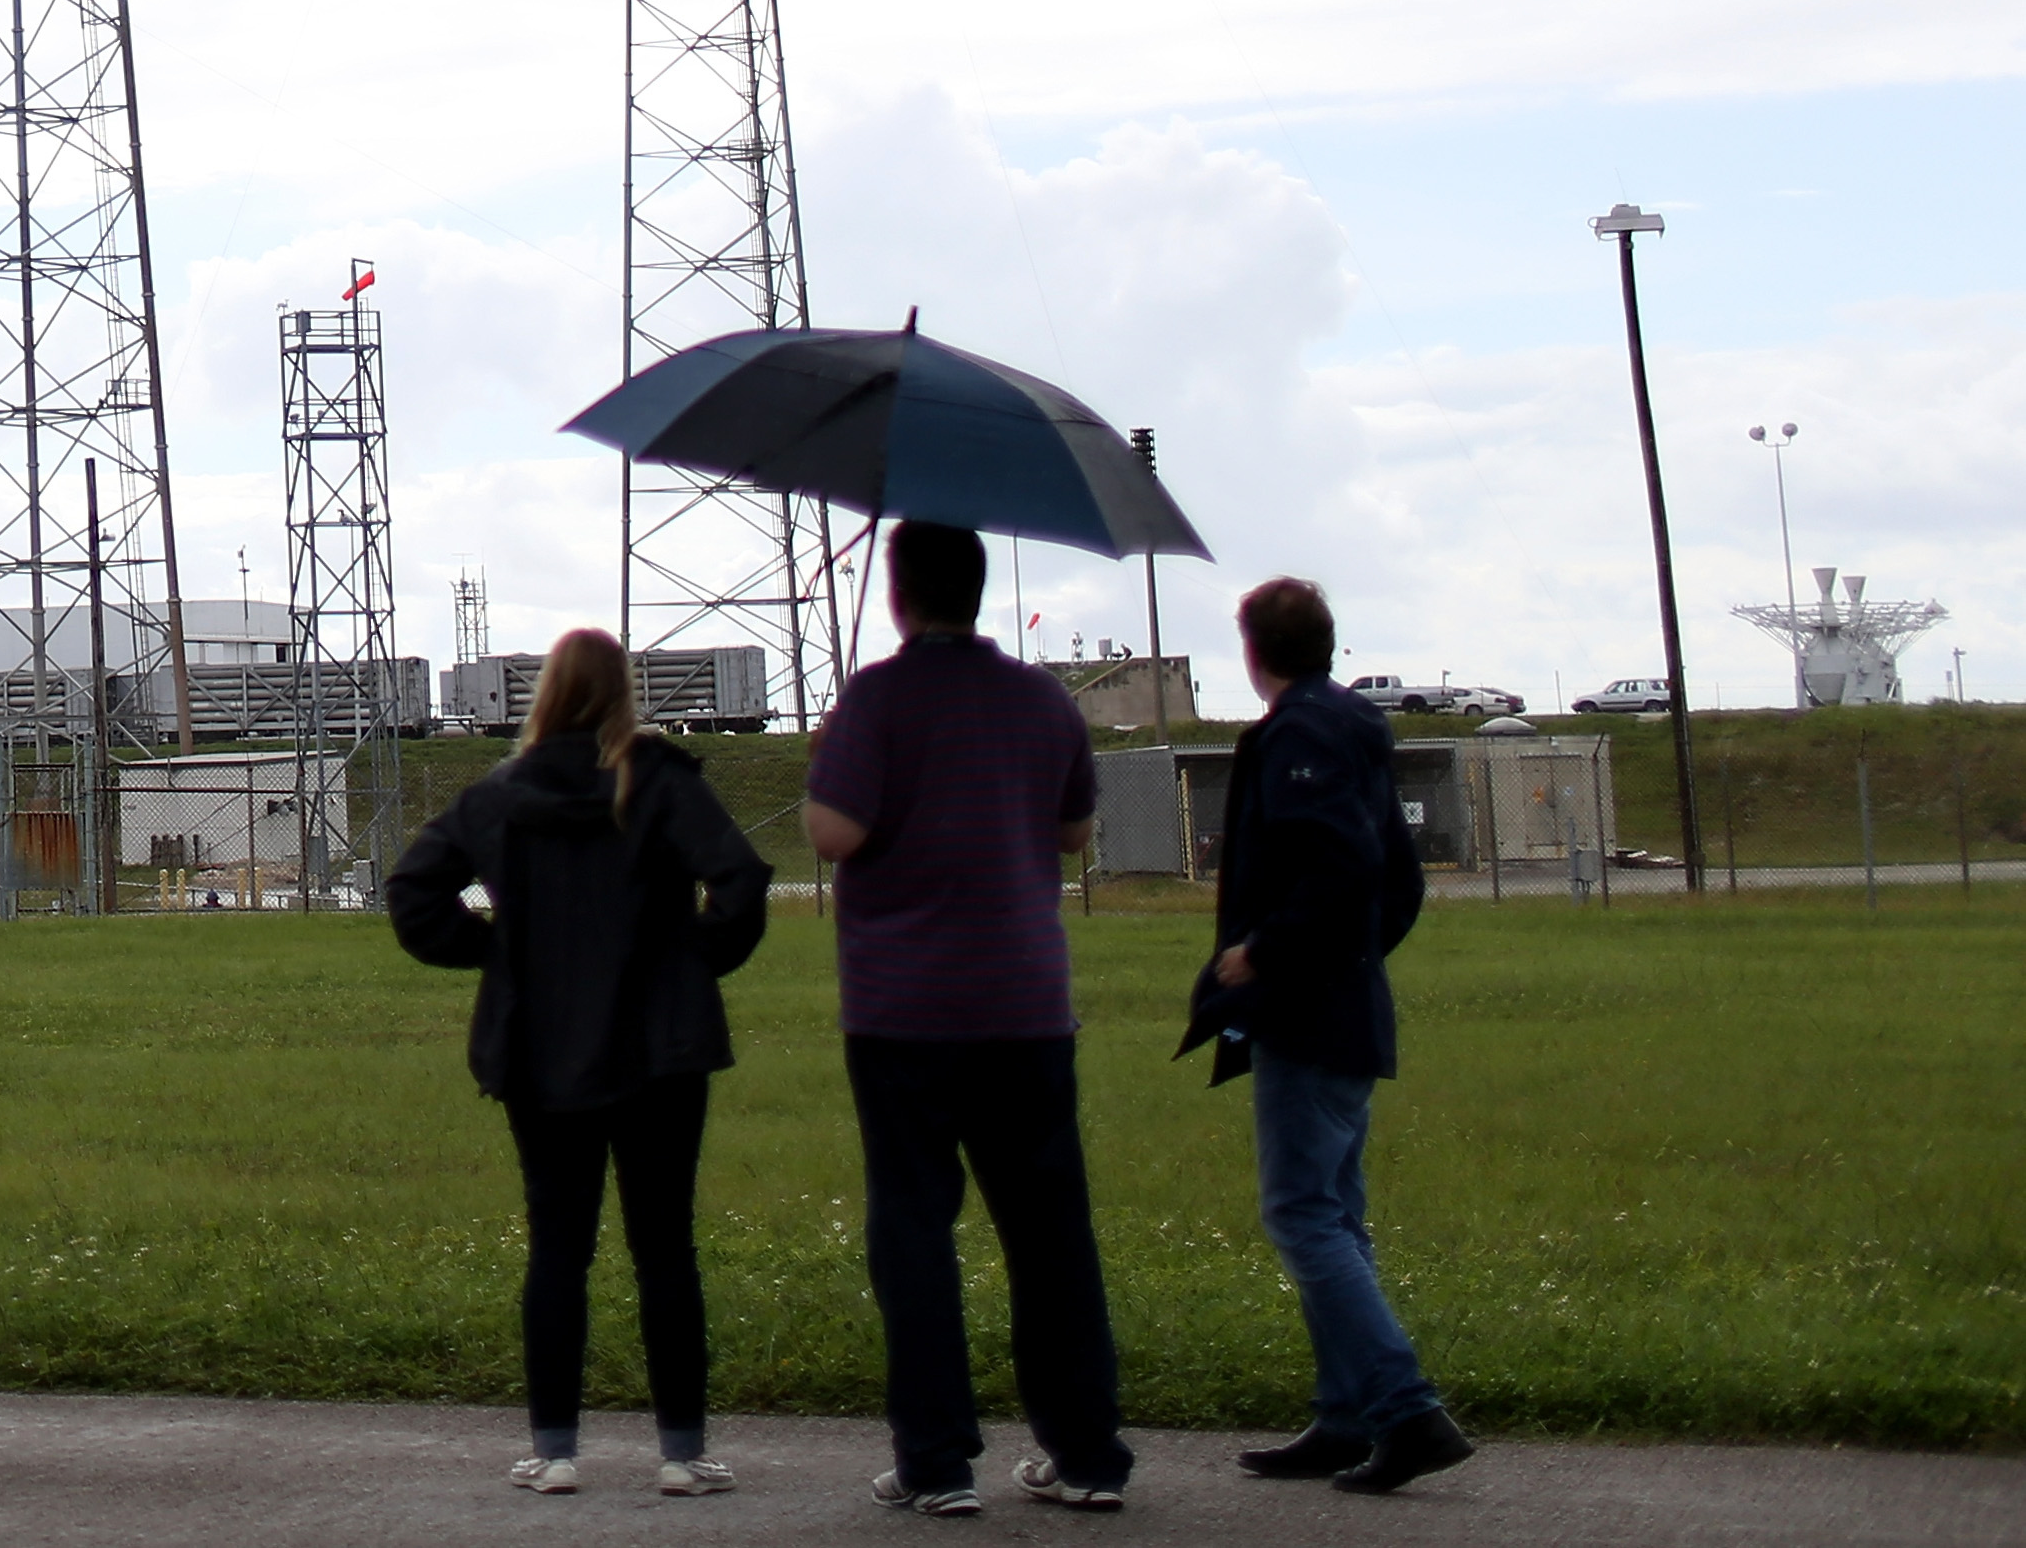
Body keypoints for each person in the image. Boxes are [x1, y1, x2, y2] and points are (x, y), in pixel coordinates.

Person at [390, 627, 772, 1499]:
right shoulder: (660, 781)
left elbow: (413, 890)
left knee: (557, 1247)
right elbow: (741, 879)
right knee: (664, 1245)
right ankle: (680, 1452)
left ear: (544, 693)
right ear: (622, 692)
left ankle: (555, 1449)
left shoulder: (499, 793)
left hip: (538, 1043)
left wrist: (491, 950)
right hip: (661, 1045)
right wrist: (692, 959)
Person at [803, 519, 1134, 1515]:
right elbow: (1074, 831)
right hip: (1024, 1002)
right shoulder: (1042, 697)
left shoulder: (875, 696)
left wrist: (835, 756)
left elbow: (832, 831)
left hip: (904, 1006)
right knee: (1049, 1231)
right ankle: (1085, 1450)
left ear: (897, 593)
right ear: (978, 590)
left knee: (913, 1225)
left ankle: (936, 1459)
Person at [1185, 577, 1472, 1495]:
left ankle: (1404, 1408)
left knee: (1301, 1213)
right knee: (1336, 1215)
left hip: (1303, 1009)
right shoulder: (1354, 726)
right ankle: (1348, 1413)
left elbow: (1338, 868)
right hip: (1347, 1002)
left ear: (1252, 649)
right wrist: (1354, 958)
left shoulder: (1298, 735)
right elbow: (1395, 881)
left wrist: (1263, 951)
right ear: (1327, 642)